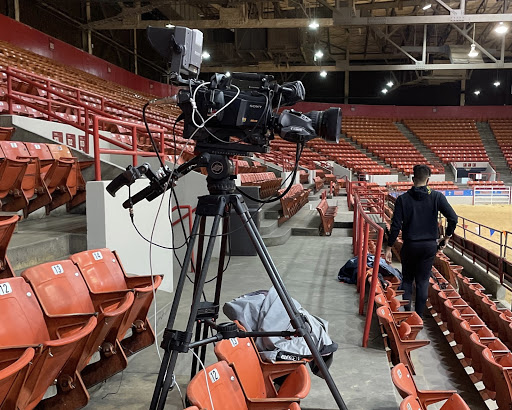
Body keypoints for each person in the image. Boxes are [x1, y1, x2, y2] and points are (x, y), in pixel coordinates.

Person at [384, 164, 458, 317]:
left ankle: (405, 313)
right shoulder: (437, 197)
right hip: (429, 246)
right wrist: (447, 237)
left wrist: (389, 247)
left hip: (410, 246)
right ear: (428, 180)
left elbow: (395, 226)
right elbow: (453, 218)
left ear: (413, 178)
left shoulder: (403, 199)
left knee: (407, 279)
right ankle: (417, 317)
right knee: (423, 282)